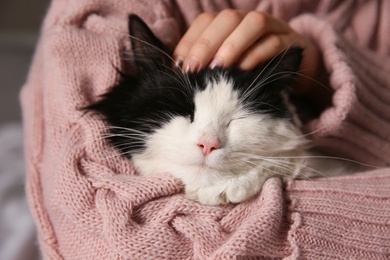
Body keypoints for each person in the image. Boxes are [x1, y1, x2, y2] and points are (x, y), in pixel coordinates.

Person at [21, 1, 390, 259]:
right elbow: (109, 244)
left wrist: (330, 76)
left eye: (237, 120)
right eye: (183, 115)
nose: (208, 142)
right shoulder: (91, 19)